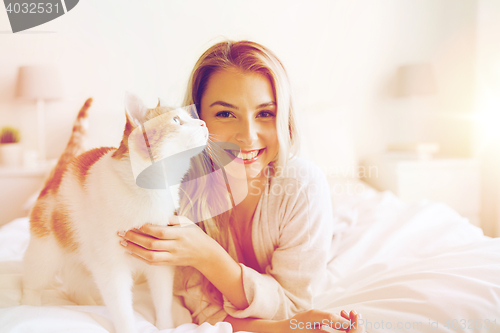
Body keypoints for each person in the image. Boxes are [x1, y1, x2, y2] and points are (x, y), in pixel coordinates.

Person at [119, 40, 365, 333]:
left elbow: (294, 306)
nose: (247, 136)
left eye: (265, 113)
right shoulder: (177, 193)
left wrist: (207, 255)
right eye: (225, 113)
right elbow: (205, 310)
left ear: (284, 118)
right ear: (197, 120)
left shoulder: (303, 188)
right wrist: (205, 255)